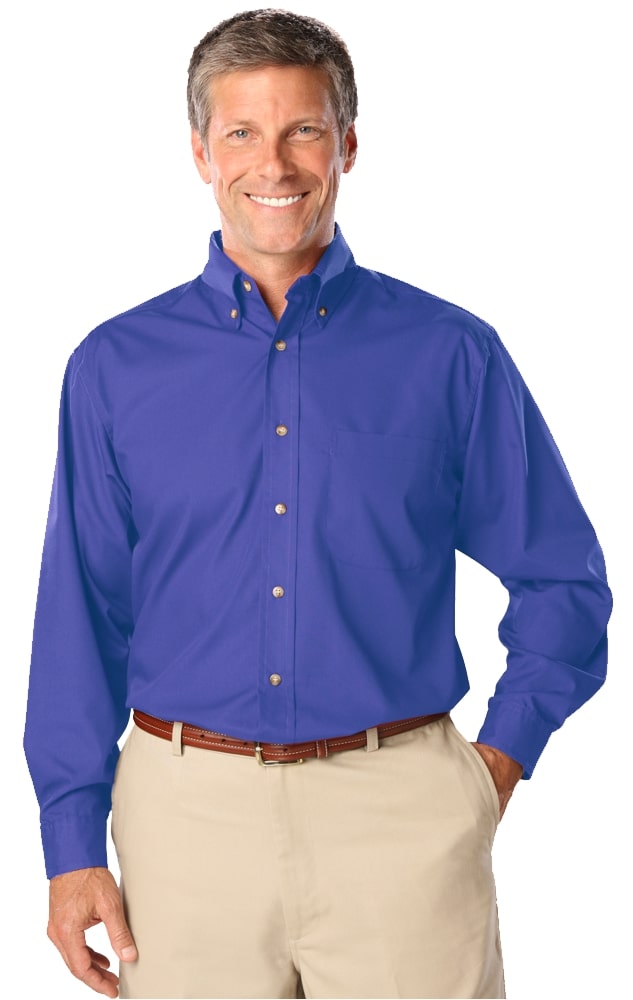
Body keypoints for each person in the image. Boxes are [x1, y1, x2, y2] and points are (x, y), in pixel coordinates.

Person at [24, 8, 612, 1000]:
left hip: (402, 817)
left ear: (347, 144)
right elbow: (81, 614)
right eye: (242, 132)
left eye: (303, 130)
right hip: (184, 824)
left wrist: (493, 766)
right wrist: (70, 843)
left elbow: (564, 582)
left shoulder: (449, 354)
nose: (275, 164)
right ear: (200, 152)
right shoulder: (114, 367)